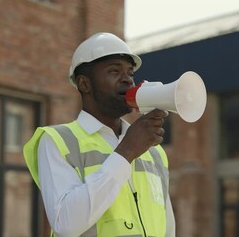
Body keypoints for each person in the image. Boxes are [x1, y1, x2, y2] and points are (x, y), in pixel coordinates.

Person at [23, 32, 175, 237]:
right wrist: (126, 151)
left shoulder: (154, 152)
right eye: (114, 71)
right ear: (84, 84)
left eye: (130, 73)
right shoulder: (57, 141)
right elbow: (66, 224)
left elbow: (167, 227)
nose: (128, 80)